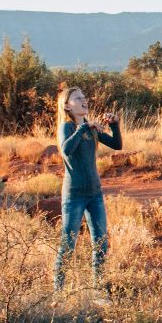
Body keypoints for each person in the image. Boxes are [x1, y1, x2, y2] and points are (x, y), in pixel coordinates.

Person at [53, 86, 122, 293]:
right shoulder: (67, 127)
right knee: (68, 245)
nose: (84, 100)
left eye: (84, 97)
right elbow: (66, 150)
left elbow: (116, 145)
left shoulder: (92, 128)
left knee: (100, 244)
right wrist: (83, 127)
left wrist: (115, 125)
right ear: (67, 106)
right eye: (78, 98)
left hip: (95, 195)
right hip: (74, 196)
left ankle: (97, 290)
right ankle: (59, 292)